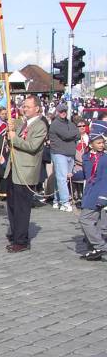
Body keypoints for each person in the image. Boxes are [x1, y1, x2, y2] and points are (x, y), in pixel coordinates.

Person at [5, 95, 48, 252]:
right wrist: (12, 129)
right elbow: (12, 137)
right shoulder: (24, 123)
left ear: (36, 108)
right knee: (12, 206)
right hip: (14, 169)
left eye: (28, 107)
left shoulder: (40, 125)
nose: (25, 109)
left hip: (26, 171)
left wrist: (14, 138)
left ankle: (21, 241)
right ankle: (16, 233)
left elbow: (32, 146)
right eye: (24, 106)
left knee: (22, 207)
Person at [74, 121, 107, 260]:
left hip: (99, 193)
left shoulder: (105, 159)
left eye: (103, 143)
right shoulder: (87, 157)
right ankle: (94, 250)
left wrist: (103, 197)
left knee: (85, 220)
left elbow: (105, 179)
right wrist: (73, 176)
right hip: (89, 192)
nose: (102, 145)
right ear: (92, 143)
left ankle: (100, 246)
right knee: (94, 222)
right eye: (99, 143)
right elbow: (87, 174)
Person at [48, 104, 79, 212]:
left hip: (70, 153)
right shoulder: (55, 124)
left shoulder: (70, 123)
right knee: (62, 178)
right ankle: (65, 202)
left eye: (65, 111)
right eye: (61, 111)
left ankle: (57, 200)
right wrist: (74, 133)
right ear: (57, 112)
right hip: (59, 153)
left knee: (59, 178)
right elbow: (66, 135)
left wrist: (73, 134)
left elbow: (77, 135)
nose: (63, 112)